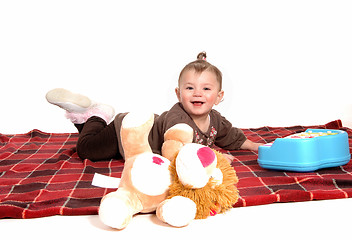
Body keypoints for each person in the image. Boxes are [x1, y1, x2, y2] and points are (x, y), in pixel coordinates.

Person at [46, 52, 261, 162]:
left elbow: (230, 136)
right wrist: (214, 156)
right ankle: (98, 116)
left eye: (206, 89)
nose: (197, 93)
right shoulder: (177, 118)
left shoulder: (215, 119)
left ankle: (85, 117)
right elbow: (181, 150)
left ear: (219, 96)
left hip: (136, 127)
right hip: (124, 133)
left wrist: (254, 147)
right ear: (178, 94)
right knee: (87, 150)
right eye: (189, 88)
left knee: (91, 142)